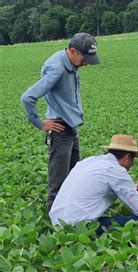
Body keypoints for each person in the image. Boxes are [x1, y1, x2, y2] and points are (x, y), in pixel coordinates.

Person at [21, 33, 100, 211]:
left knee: (74, 175)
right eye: (85, 58)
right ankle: (55, 220)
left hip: (71, 127)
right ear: (72, 51)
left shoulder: (70, 62)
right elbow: (27, 97)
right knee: (58, 180)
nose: (86, 63)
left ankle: (72, 213)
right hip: (60, 129)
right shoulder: (57, 68)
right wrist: (40, 123)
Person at [49, 135, 138, 233]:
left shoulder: (88, 161)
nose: (132, 164)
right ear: (127, 157)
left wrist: (132, 189)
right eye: (133, 159)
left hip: (57, 224)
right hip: (78, 228)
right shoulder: (116, 170)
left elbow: (96, 187)